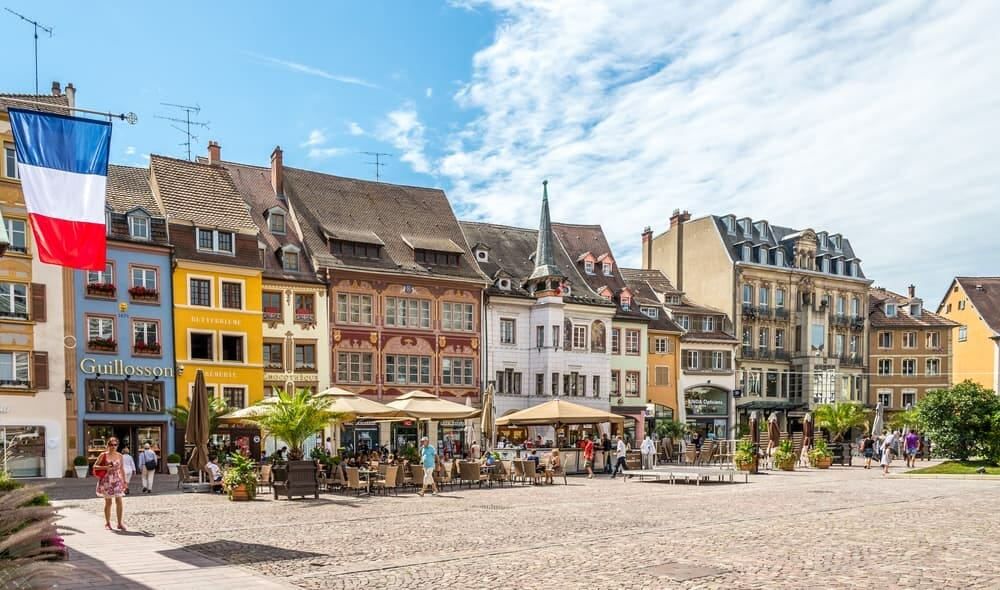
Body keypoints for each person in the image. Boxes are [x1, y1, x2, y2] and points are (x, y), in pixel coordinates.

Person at [94, 437, 128, 531]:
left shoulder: (120, 456)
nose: (113, 447)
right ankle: (108, 523)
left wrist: (124, 481)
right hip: (106, 480)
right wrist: (105, 467)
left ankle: (120, 523)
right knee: (108, 502)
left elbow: (121, 469)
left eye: (115, 445)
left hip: (117, 480)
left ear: (117, 446)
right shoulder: (103, 455)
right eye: (111, 445)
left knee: (119, 501)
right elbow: (95, 466)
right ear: (108, 445)